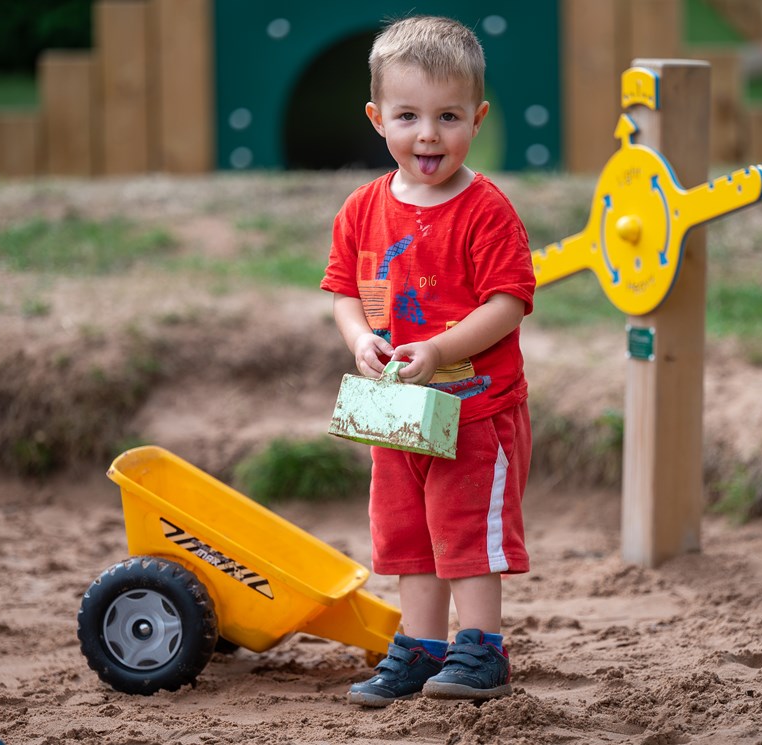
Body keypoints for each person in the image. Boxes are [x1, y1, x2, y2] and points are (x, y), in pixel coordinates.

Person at [320, 15, 535, 707]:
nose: (428, 135)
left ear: (477, 116)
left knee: (465, 528)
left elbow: (508, 302)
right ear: (377, 116)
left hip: (475, 407)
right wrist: (359, 339)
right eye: (408, 116)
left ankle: (482, 650)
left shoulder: (486, 210)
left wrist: (440, 348)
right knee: (407, 531)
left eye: (448, 116)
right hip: (397, 409)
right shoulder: (362, 208)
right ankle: (421, 647)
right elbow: (344, 293)